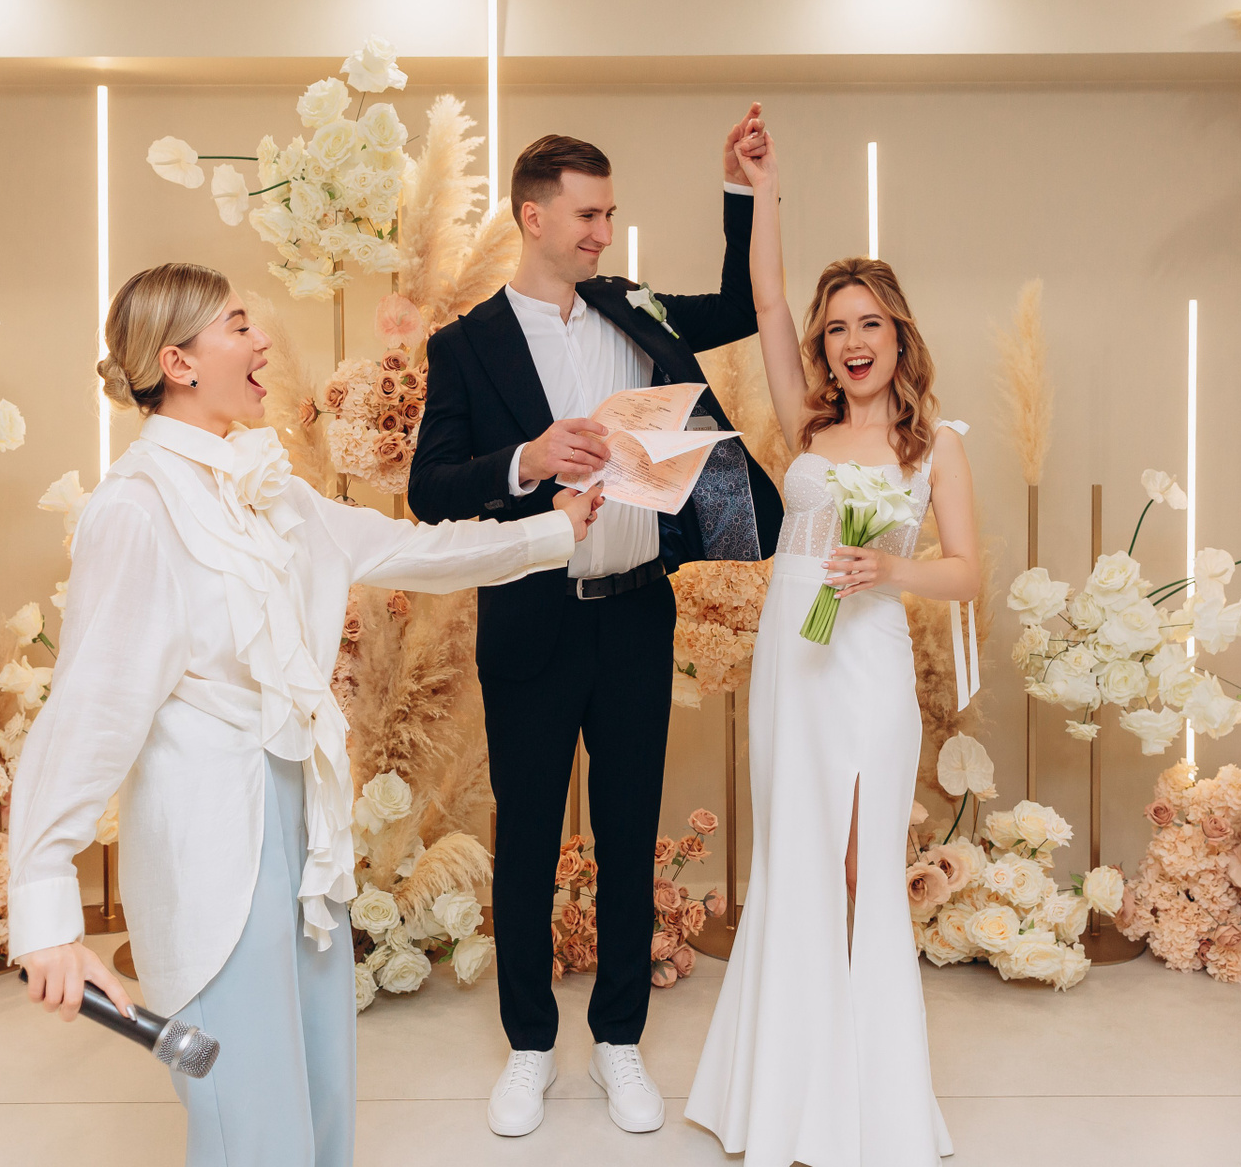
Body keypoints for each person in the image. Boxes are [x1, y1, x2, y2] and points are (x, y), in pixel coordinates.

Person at [8, 262, 601, 1167]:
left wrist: (554, 530)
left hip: (304, 818)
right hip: (211, 836)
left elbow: (410, 550)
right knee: (245, 1108)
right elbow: (91, 707)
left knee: (321, 1089)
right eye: (238, 325)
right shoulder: (136, 507)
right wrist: (45, 904)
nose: (262, 341)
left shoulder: (272, 488)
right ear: (178, 363)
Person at [406, 111, 784, 1138]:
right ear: (533, 216)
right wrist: (526, 459)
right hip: (529, 619)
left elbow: (740, 304)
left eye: (609, 214)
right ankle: (530, 1047)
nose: (602, 233)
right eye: (586, 215)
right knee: (527, 839)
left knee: (627, 834)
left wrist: (741, 190)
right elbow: (430, 490)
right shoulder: (466, 345)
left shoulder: (633, 306)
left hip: (636, 615)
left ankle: (620, 1040)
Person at [685, 131, 978, 1165]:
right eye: (838, 326)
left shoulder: (936, 446)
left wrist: (891, 569)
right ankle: (782, 1094)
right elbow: (766, 302)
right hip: (793, 659)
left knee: (863, 862)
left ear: (899, 336)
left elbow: (966, 572)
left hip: (871, 659)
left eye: (870, 324)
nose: (852, 341)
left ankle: (871, 1095)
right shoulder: (806, 427)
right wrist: (761, 190)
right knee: (796, 855)